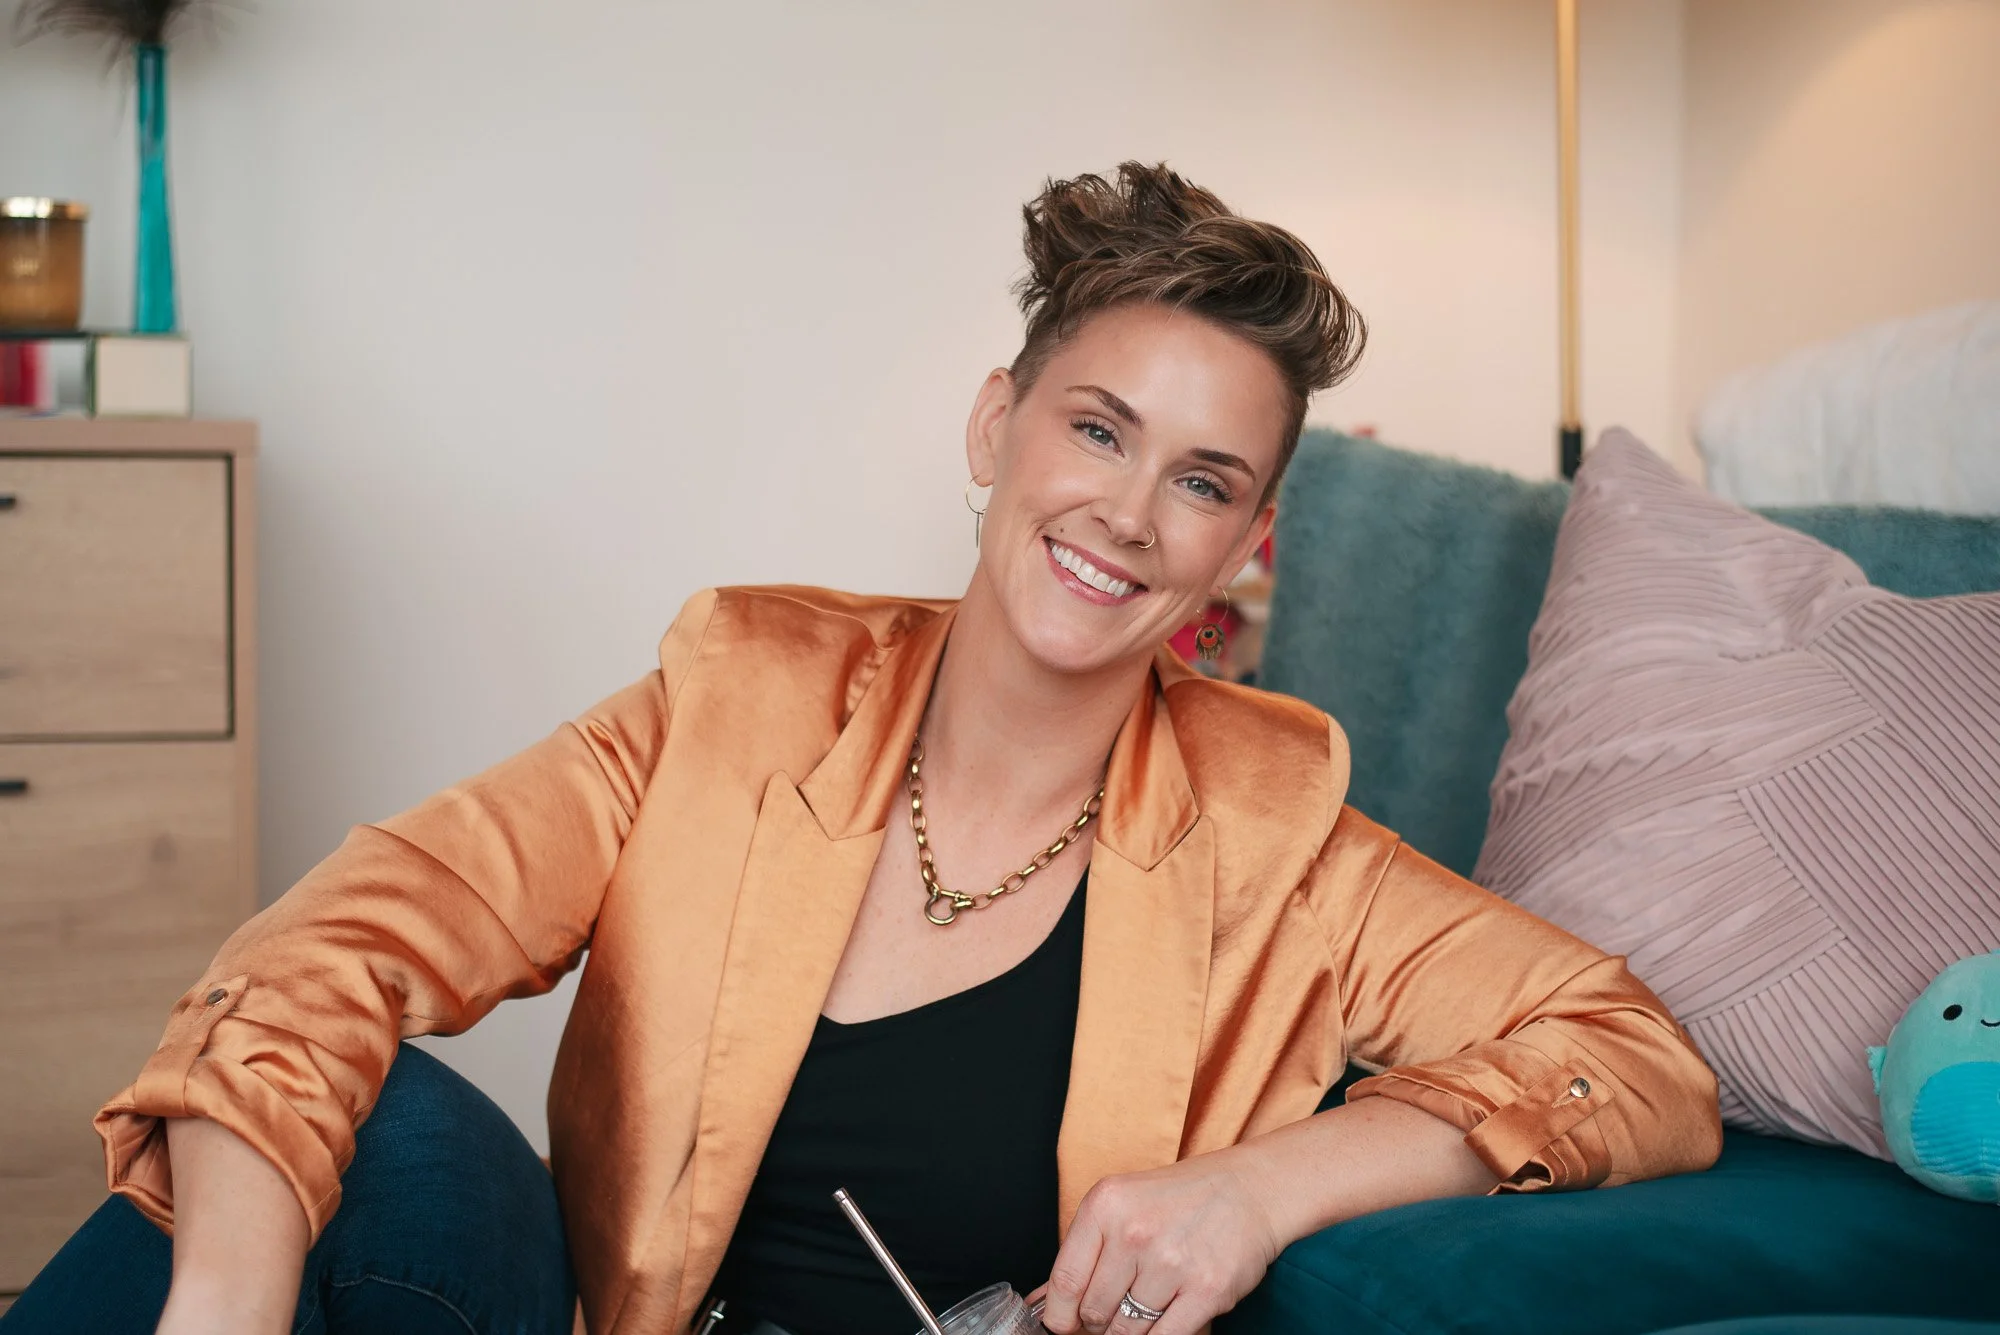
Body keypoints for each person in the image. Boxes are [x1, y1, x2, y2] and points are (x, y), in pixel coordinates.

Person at [2, 162, 1721, 1335]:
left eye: (1201, 481)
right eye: (1097, 428)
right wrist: (223, 1312)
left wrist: (1261, 1190)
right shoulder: (736, 696)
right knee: (378, 1132)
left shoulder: (1281, 836)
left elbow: (1631, 1051)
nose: (1127, 512)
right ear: (998, 422)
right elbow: (334, 944)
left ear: (1245, 542)